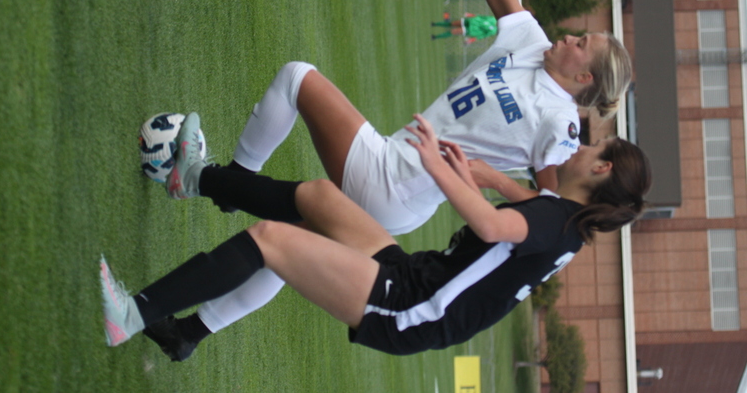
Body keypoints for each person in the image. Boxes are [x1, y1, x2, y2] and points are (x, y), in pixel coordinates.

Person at [117, 0, 631, 359]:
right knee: (293, 241)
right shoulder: (534, 45)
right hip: (403, 185)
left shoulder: (560, 126)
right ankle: (188, 330)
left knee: (299, 80)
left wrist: (467, 175)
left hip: (399, 181)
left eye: (582, 42)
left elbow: (536, 205)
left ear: (584, 77)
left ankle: (220, 183)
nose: (571, 35)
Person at [101, 111, 652, 357]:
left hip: (413, 309)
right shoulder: (568, 225)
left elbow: (491, 224)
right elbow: (518, 211)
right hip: (418, 279)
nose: (583, 148)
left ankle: (132, 315)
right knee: (318, 197)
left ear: (601, 171)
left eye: (594, 150)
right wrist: (476, 174)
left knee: (274, 240)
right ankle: (195, 176)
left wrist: (438, 166)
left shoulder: (557, 221)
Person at [431, 13, 498, 40]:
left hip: (472, 30)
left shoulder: (494, 30)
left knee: (454, 31)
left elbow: (483, 35)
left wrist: (473, 39)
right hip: (471, 21)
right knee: (453, 24)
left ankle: (435, 37)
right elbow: (481, 17)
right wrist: (472, 15)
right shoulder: (493, 19)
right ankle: (435, 24)